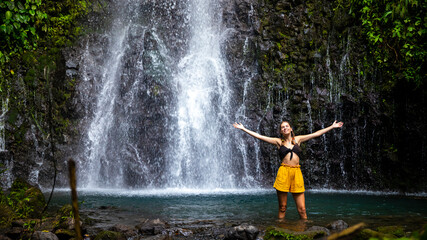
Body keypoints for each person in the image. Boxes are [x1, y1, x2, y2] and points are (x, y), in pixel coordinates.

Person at [232, 120, 344, 219]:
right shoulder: (278, 142)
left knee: (302, 209)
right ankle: (280, 229)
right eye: (282, 127)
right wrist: (243, 129)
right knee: (282, 207)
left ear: (291, 129)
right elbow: (260, 136)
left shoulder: (298, 139)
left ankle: (305, 231)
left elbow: (316, 134)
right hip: (283, 172)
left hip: (296, 172)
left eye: (286, 126)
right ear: (281, 131)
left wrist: (332, 127)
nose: (285, 128)